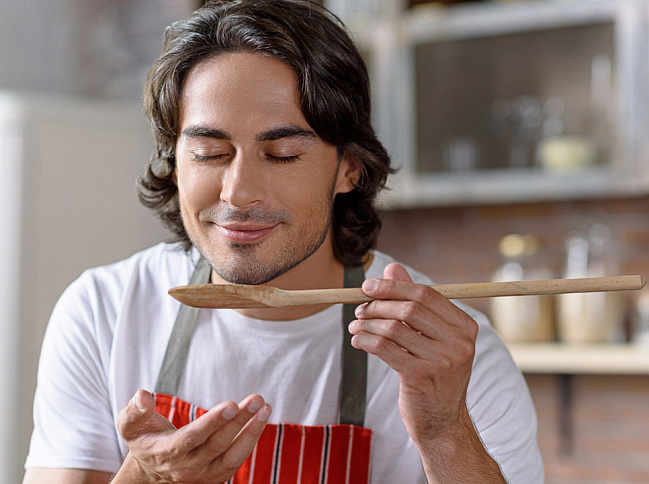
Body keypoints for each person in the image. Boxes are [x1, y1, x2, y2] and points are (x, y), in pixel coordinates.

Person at [22, 0, 543, 482]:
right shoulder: (103, 312)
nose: (239, 191)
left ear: (349, 169)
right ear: (175, 163)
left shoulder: (452, 360)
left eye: (283, 155)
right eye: (209, 152)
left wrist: (445, 432)